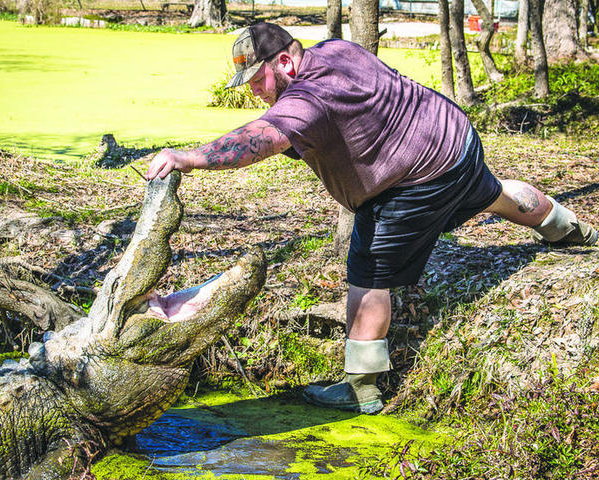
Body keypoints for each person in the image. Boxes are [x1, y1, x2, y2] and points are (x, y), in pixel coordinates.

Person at [145, 22, 597, 414]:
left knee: (368, 266)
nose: (254, 91)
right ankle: (572, 229)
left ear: (284, 62)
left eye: (257, 80)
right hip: (455, 140)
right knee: (493, 193)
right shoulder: (337, 49)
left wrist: (190, 157)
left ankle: (361, 388)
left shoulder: (306, 99)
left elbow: (260, 140)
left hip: (417, 178)